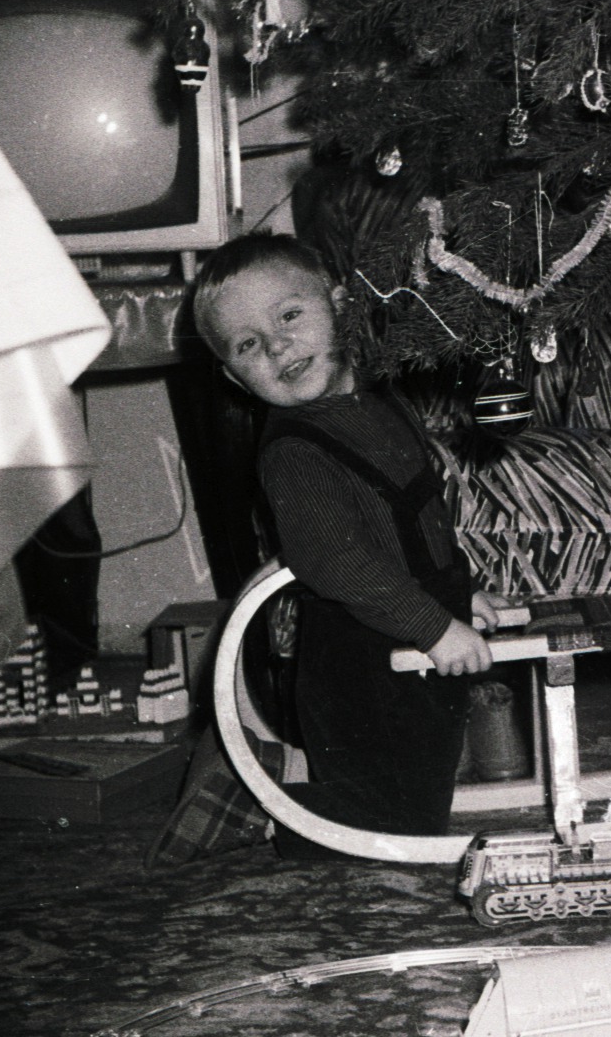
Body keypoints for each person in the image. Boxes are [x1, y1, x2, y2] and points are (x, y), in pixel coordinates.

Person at [190, 234, 501, 856]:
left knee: (424, 782)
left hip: (412, 621)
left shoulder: (374, 398)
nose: (277, 346)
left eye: (288, 315)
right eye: (249, 344)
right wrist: (434, 625)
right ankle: (274, 827)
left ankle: (374, 831)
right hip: (361, 659)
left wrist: (459, 593)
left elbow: (416, 516)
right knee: (383, 810)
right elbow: (336, 561)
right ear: (233, 376)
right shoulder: (294, 453)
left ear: (338, 304)